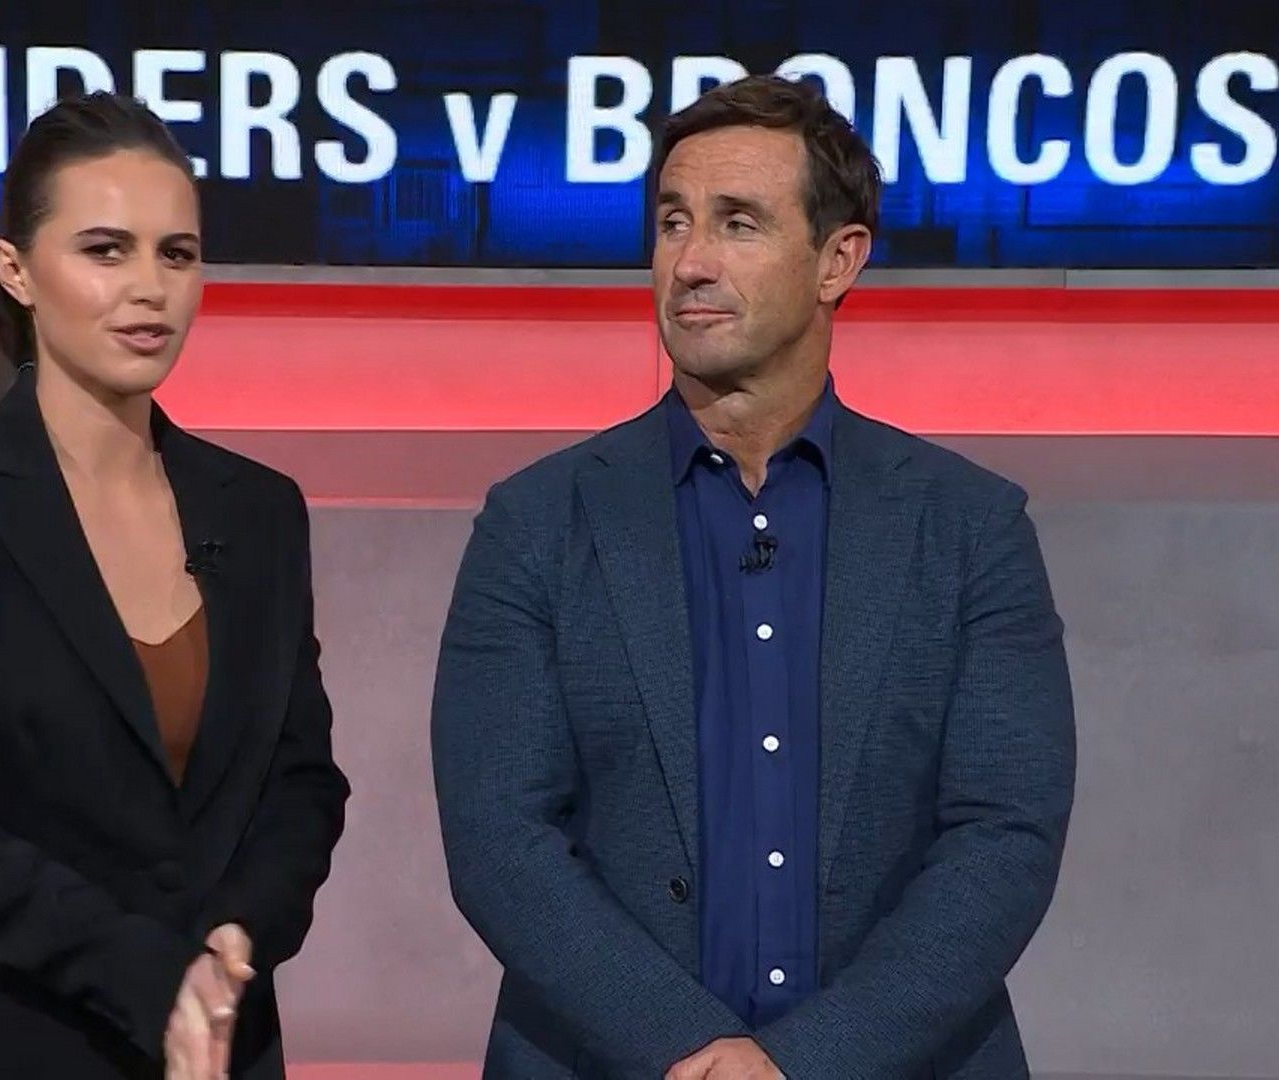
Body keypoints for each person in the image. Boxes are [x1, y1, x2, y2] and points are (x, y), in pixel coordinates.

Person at [431, 73, 1075, 1079]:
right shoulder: (538, 524)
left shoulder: (968, 528)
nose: (690, 262)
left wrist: (806, 1062)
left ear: (837, 260)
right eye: (672, 222)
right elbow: (498, 840)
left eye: (738, 223)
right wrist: (690, 1048)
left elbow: (1004, 839)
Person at [0, 90, 349, 1080]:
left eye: (177, 254)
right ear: (15, 270)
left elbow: (301, 782)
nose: (150, 288)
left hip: (215, 1043)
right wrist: (146, 975)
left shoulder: (261, 512)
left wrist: (239, 935)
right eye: (106, 250)